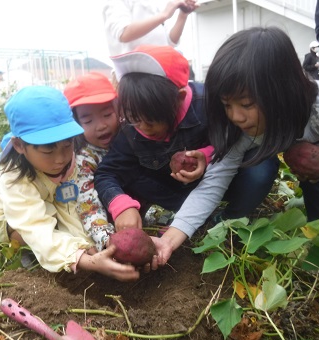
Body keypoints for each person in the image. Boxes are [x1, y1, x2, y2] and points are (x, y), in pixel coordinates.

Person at [152, 27, 319, 268]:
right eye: (227, 104)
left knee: (309, 164)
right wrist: (169, 240)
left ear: (282, 91)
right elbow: (213, 183)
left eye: (246, 104)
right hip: (310, 159)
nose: (236, 116)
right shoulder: (241, 130)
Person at [94, 45, 279, 236]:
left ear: (179, 99)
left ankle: (228, 220)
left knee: (261, 165)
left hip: (220, 184)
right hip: (172, 194)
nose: (143, 127)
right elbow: (106, 173)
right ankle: (180, 218)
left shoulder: (211, 104)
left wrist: (208, 156)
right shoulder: (130, 126)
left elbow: (239, 139)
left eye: (151, 121)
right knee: (127, 173)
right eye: (134, 118)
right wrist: (121, 204)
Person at [0, 85, 139, 281]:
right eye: (48, 151)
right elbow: (34, 227)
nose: (60, 159)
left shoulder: (68, 159)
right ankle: (27, 254)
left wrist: (96, 245)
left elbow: (72, 205)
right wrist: (84, 260)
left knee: (63, 222)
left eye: (67, 145)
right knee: (28, 234)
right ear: (19, 146)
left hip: (47, 201)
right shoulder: (12, 177)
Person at [63, 72, 119, 251]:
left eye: (107, 114)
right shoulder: (83, 160)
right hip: (98, 219)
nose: (101, 125)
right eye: (88, 120)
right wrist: (106, 239)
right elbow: (88, 205)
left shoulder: (127, 139)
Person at [102, 0, 198, 56]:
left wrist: (183, 15)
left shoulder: (156, 3)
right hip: (133, 77)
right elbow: (123, 33)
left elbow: (170, 42)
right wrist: (164, 15)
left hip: (161, 71)